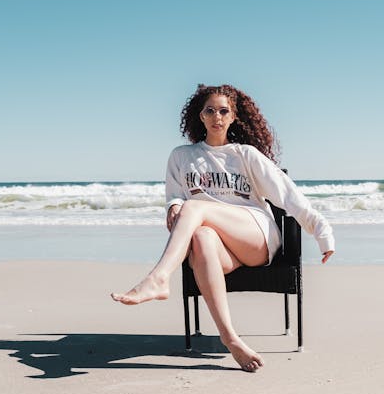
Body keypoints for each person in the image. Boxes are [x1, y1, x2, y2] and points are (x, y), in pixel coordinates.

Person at [112, 83, 334, 372]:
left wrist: (322, 231)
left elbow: (288, 195)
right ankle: (232, 340)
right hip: (218, 248)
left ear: (233, 117)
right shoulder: (182, 156)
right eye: (210, 110)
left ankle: (158, 278)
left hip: (254, 236)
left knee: (195, 207)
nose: (217, 116)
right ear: (200, 116)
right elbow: (174, 196)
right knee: (202, 235)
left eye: (224, 111)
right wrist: (173, 206)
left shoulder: (245, 154)